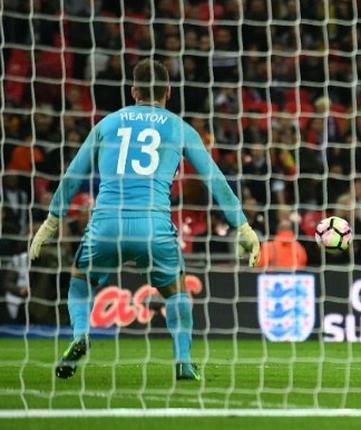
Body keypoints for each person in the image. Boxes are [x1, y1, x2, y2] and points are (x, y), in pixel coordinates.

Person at [29, 59, 261, 381]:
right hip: (153, 224)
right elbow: (214, 178)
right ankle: (183, 361)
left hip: (107, 223)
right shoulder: (180, 127)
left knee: (79, 280)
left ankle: (81, 336)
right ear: (169, 90)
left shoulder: (107, 124)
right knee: (176, 290)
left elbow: (72, 176)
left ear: (133, 90)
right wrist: (243, 226)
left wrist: (50, 222)